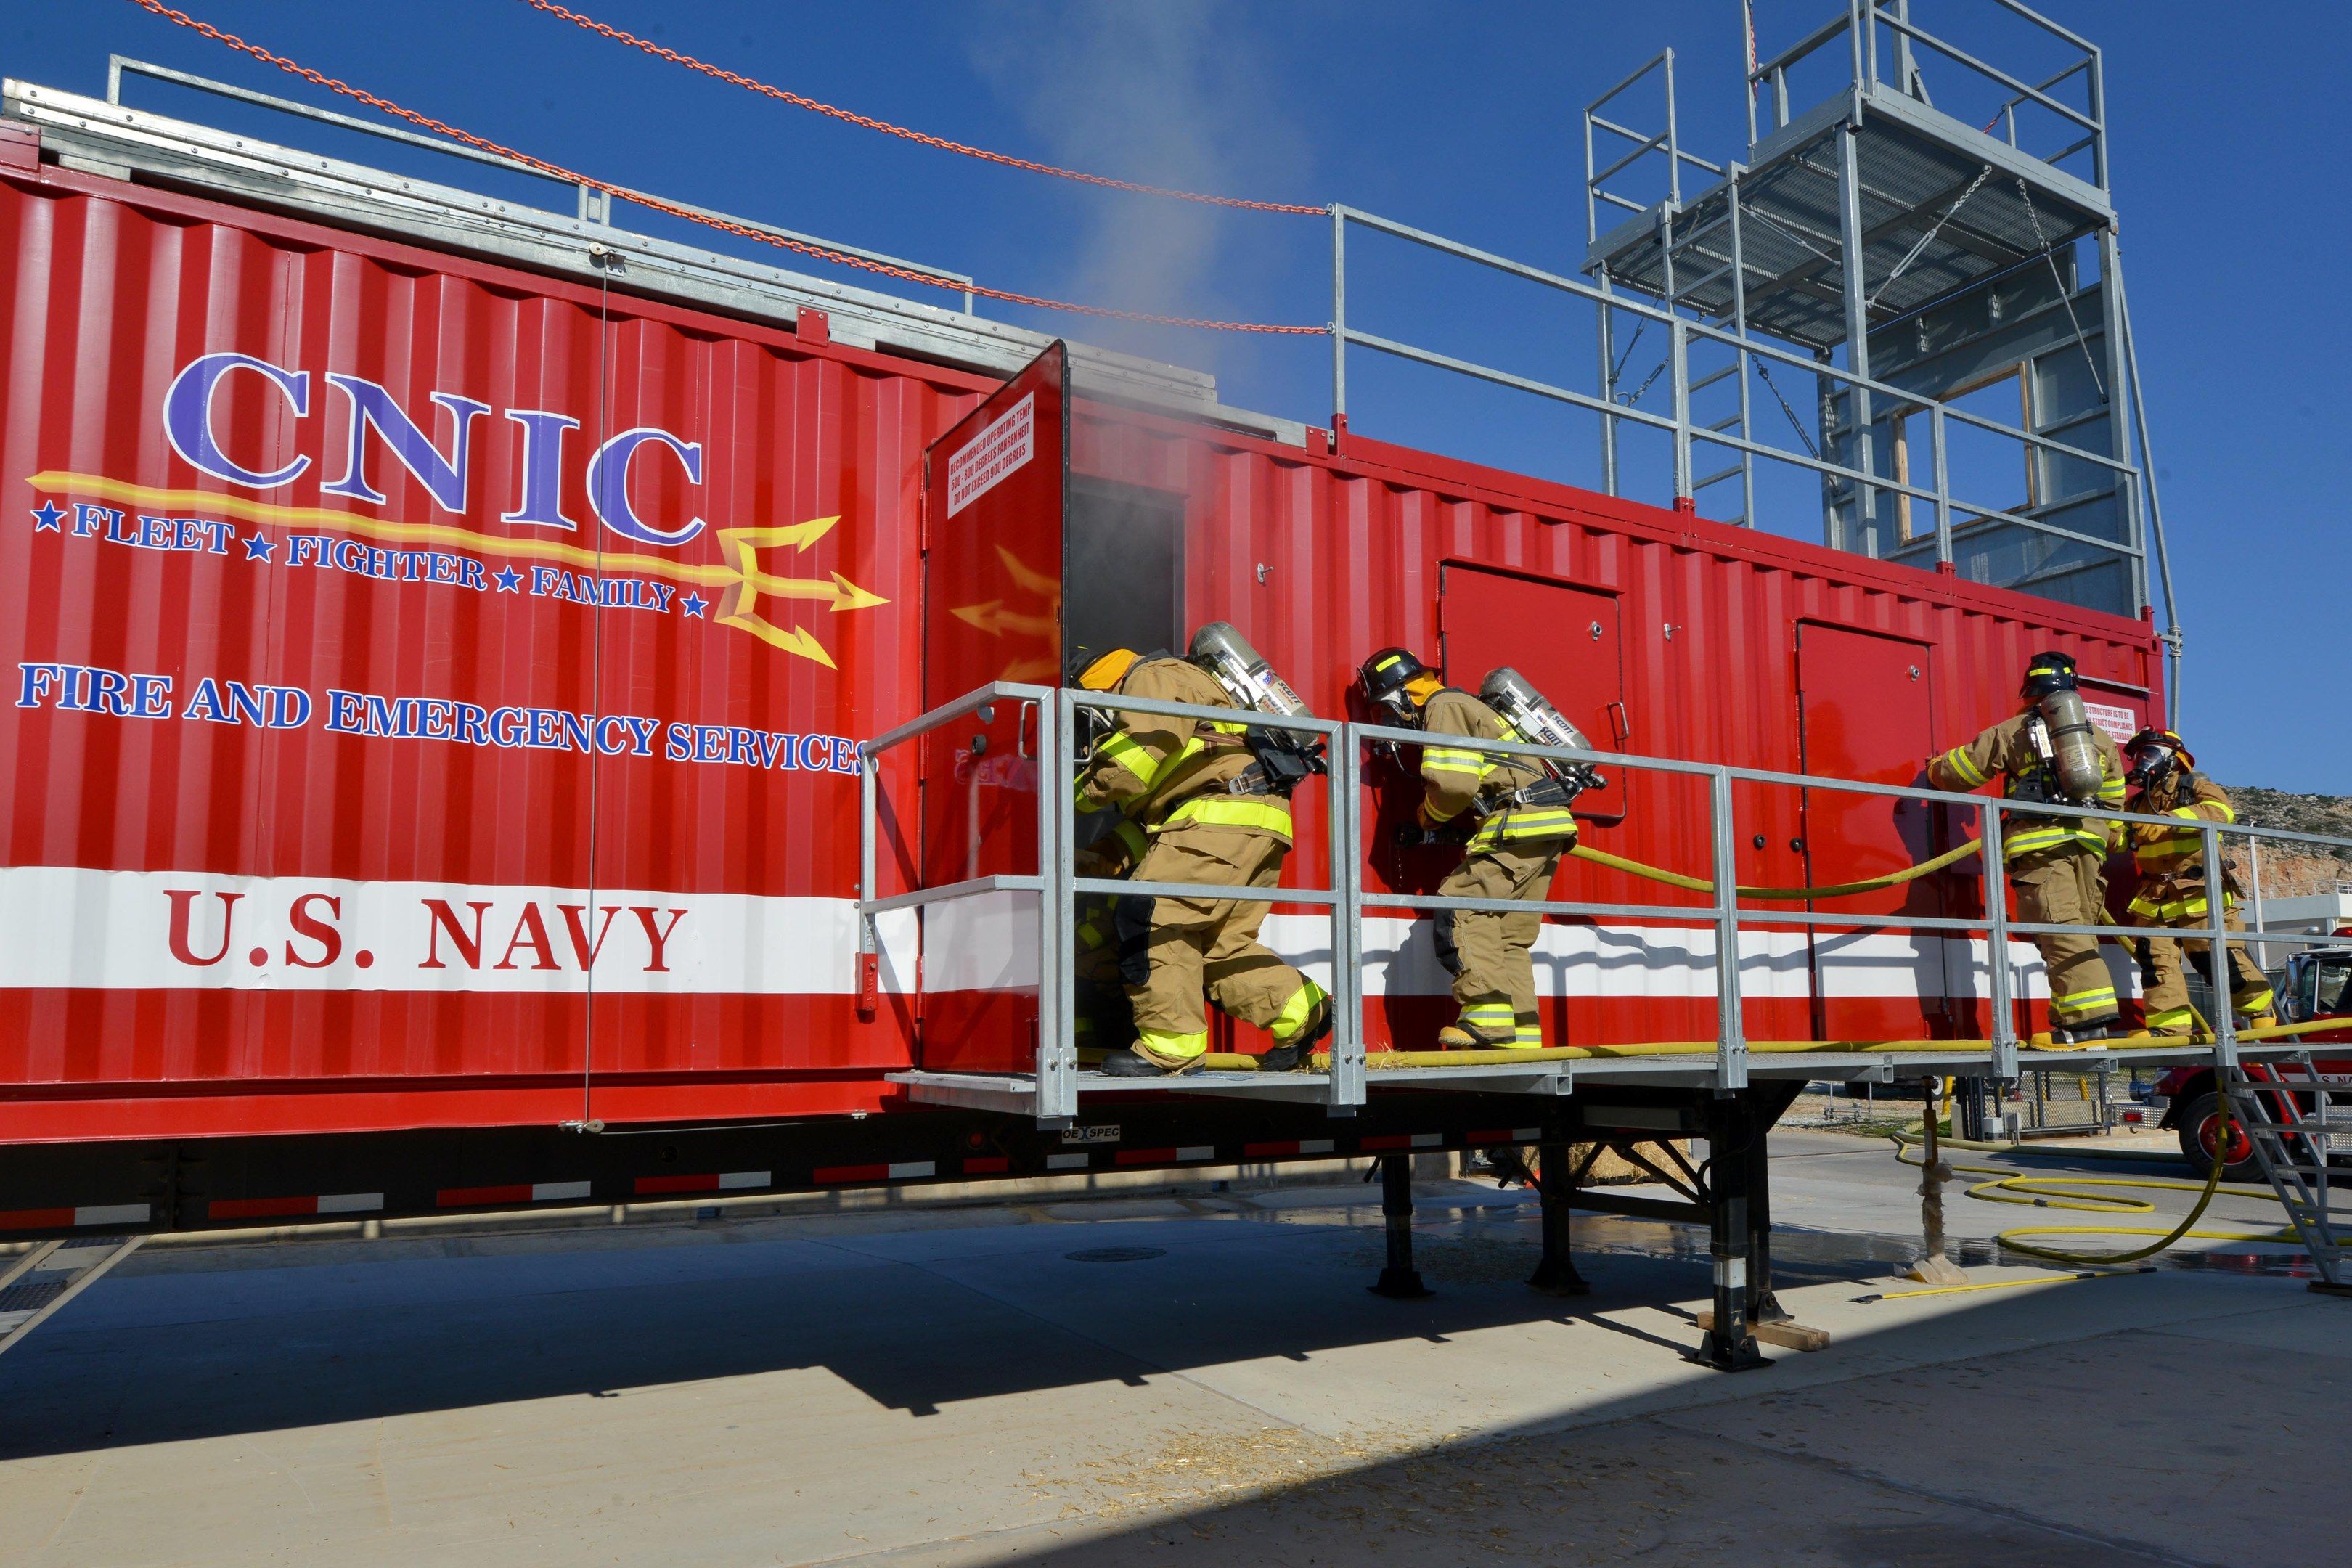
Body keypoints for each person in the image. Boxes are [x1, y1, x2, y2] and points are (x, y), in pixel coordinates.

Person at [1069, 644, 1331, 1077]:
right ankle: (1302, 1009)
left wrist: (1066, 791)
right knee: (1215, 948)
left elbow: (1131, 765)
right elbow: (1168, 805)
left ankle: (1169, 1049)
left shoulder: (1151, 676)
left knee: (1151, 919)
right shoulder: (1187, 686)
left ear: (1094, 689)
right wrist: (1107, 854)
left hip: (1216, 817)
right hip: (1247, 819)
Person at [1357, 648, 1577, 1050]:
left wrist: (1430, 814)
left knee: (1461, 907)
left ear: (1405, 692)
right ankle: (1519, 1035)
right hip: (1545, 826)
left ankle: (1486, 1020)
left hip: (1517, 824)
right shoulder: (1467, 706)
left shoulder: (1446, 705)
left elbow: (1454, 784)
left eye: (1388, 707)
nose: (1390, 718)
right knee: (1507, 935)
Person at [1927, 651, 2129, 1045]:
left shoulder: (2017, 730)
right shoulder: (2099, 739)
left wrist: (1934, 767)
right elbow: (2115, 807)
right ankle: (2074, 1019)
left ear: (2031, 692)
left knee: (2058, 928)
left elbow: (1964, 770)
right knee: (2078, 930)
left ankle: (2087, 1021)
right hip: (2090, 850)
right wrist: (2104, 840)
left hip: (2042, 849)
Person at [2119, 727, 2275, 1035]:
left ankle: (2261, 1017)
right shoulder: (2137, 804)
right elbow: (2118, 839)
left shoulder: (2195, 787)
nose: (2143, 761)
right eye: (2139, 755)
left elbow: (2221, 811)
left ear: (2175, 760)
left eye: (2151, 753)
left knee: (2217, 960)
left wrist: (2169, 822)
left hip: (2200, 894)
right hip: (2155, 898)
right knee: (2155, 964)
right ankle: (2170, 1031)